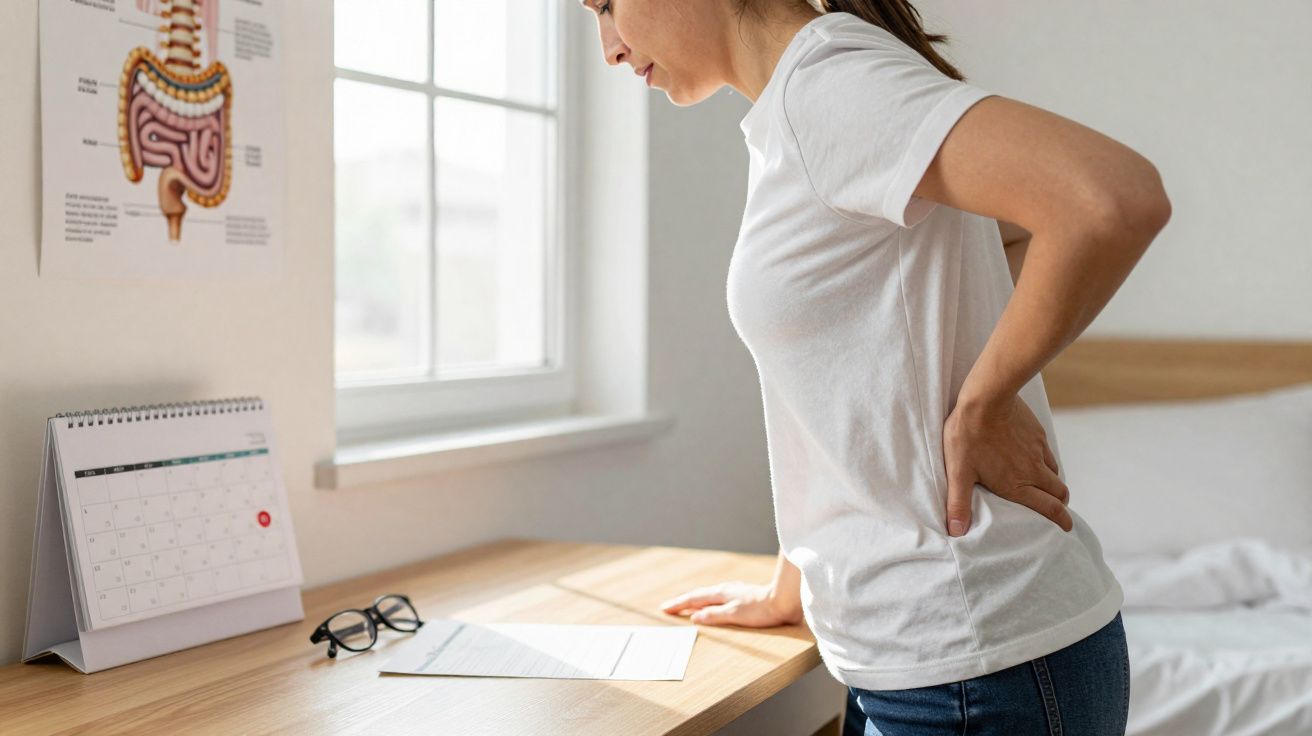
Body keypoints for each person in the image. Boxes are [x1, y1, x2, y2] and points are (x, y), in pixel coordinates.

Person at [578, 0, 1170, 733]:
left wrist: (985, 396)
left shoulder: (835, 86)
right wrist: (797, 580)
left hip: (975, 664)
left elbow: (1111, 199)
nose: (606, 46)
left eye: (605, 5)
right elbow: (853, 368)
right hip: (922, 658)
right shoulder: (797, 105)